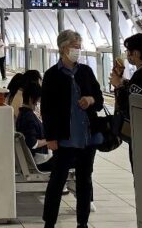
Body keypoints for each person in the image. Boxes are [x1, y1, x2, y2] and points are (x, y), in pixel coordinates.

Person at [40, 29, 103, 228]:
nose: (78, 50)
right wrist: (50, 137)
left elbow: (100, 100)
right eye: (75, 47)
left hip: (87, 137)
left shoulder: (86, 71)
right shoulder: (52, 75)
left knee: (85, 180)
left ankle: (82, 222)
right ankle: (49, 222)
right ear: (63, 48)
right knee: (57, 181)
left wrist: (91, 99)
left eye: (79, 46)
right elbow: (47, 109)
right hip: (64, 138)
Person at [112, 32, 142, 169]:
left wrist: (119, 85)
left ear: (137, 53)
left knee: (140, 171)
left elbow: (128, 105)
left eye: (129, 51)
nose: (127, 55)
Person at [16, 83, 52, 171]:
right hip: (41, 161)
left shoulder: (23, 114)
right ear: (30, 99)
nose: (38, 104)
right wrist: (51, 140)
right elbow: (33, 143)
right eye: (38, 101)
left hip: (36, 158)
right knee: (75, 159)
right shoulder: (29, 117)